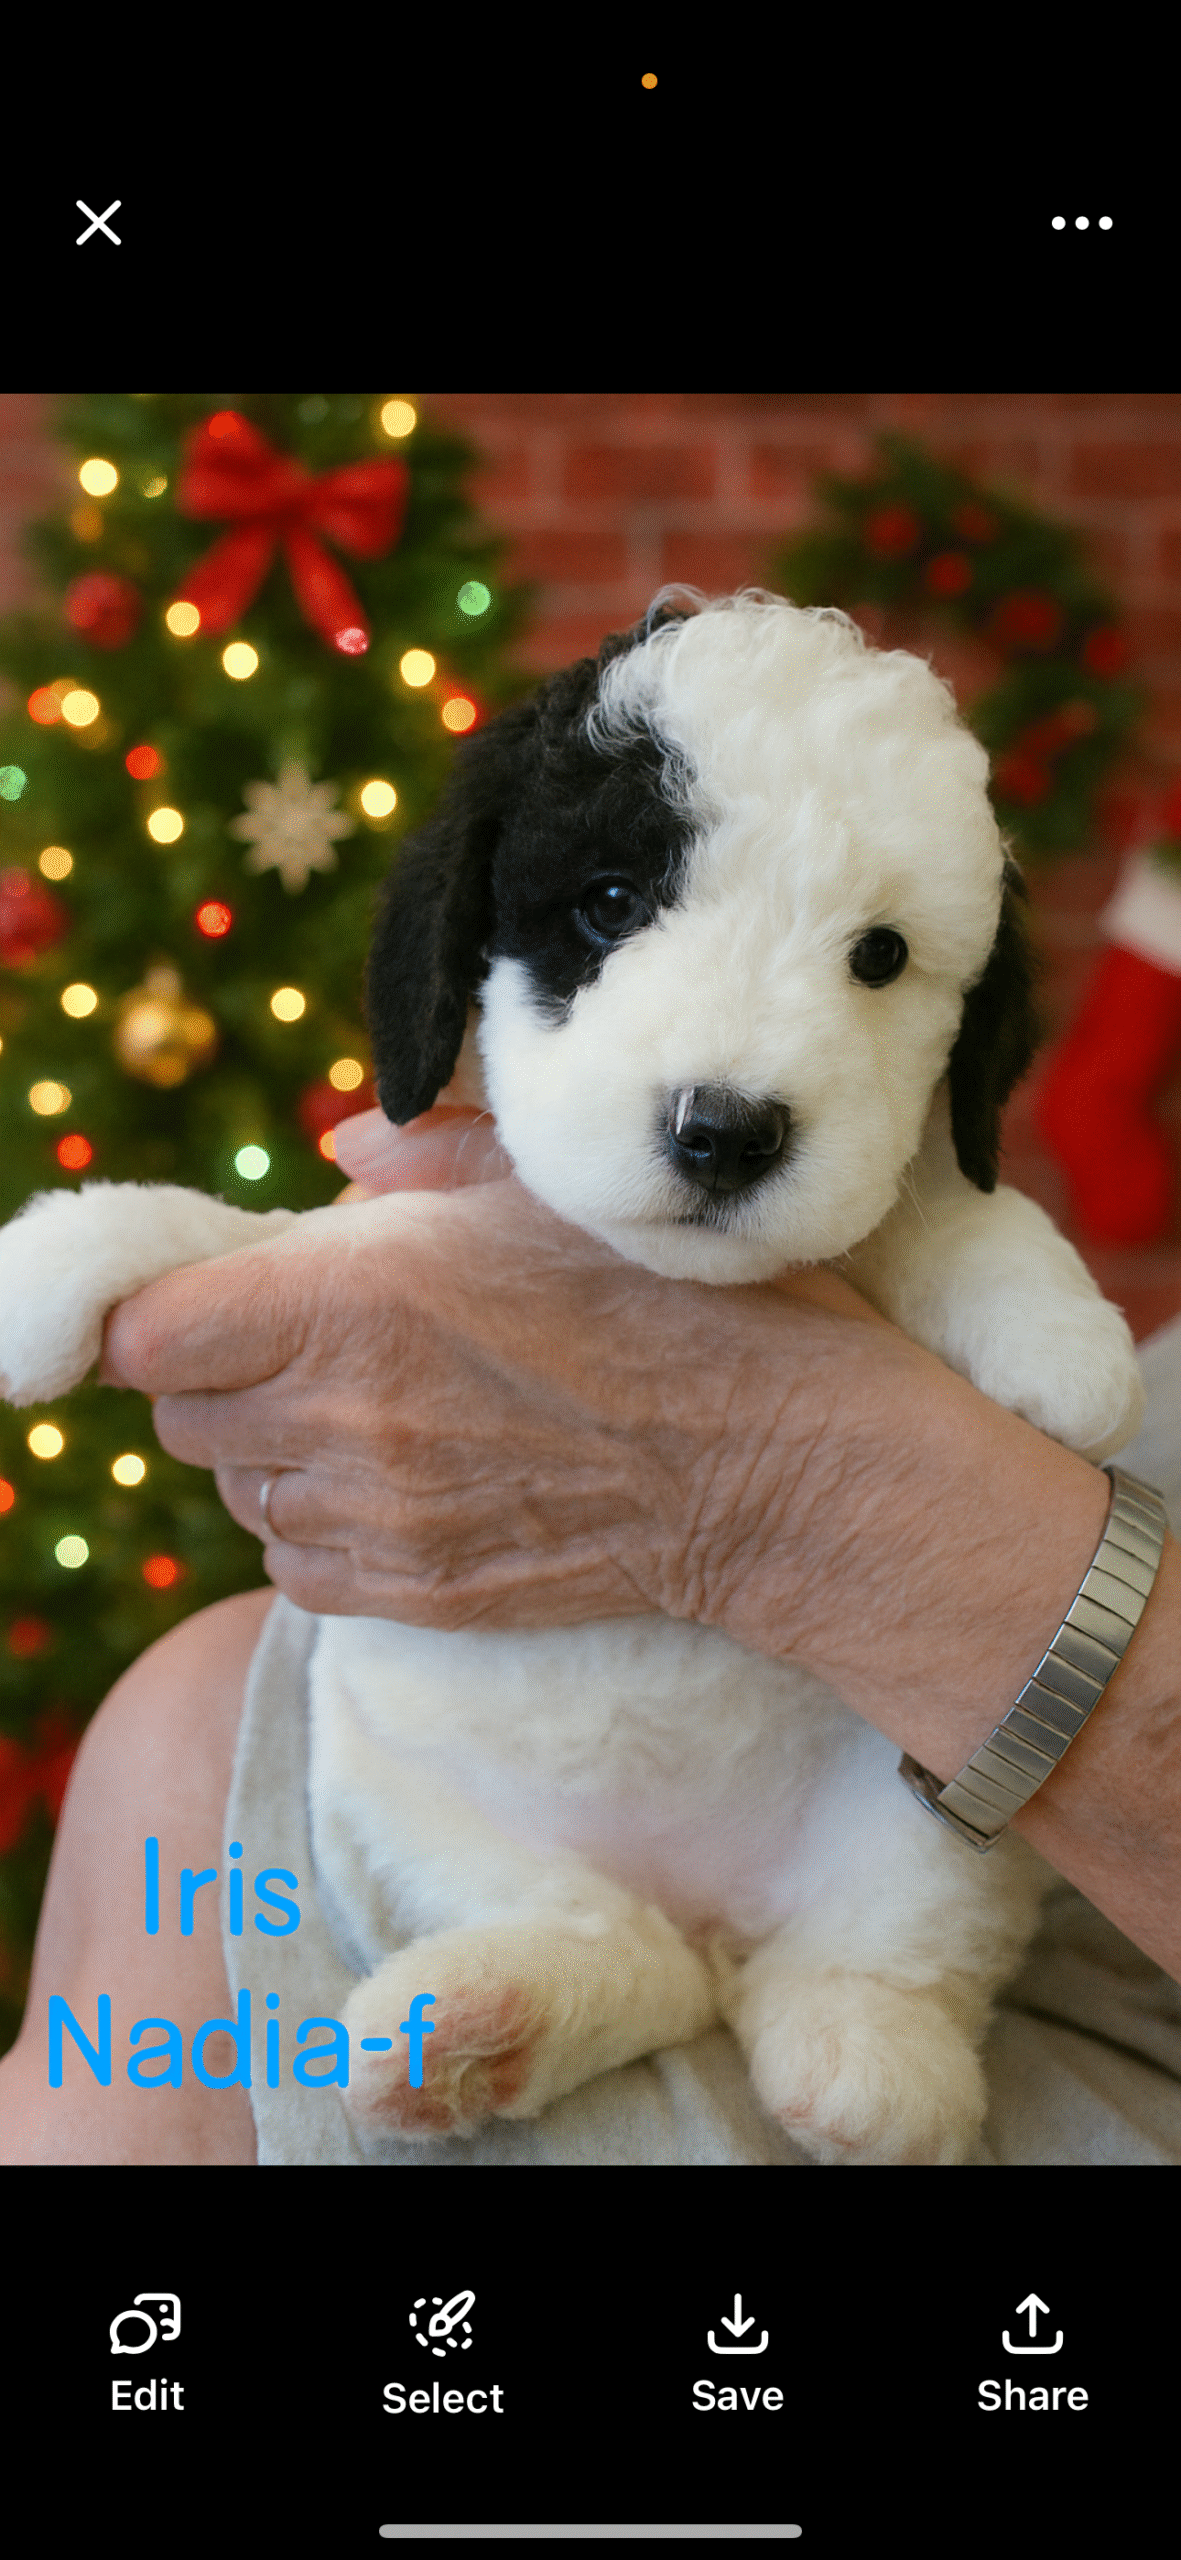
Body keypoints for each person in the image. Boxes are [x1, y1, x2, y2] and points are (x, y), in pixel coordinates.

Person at [1, 1105, 1179, 2167]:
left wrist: (783, 1481)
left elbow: (1046, 1386)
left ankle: (851, 1971)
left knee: (193, 1739)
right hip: (534, 1825)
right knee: (199, 1722)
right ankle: (586, 1950)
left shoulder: (911, 1210)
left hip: (1006, 1904)